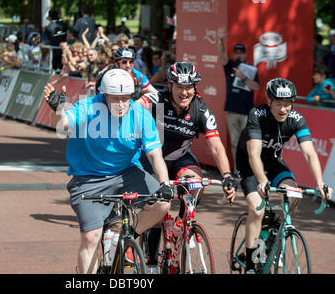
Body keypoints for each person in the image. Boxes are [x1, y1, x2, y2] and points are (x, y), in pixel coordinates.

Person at [43, 68, 174, 274]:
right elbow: (62, 124)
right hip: (87, 178)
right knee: (91, 237)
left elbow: (155, 154)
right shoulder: (88, 107)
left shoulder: (141, 115)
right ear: (104, 95)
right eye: (116, 98)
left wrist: (165, 183)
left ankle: (129, 234)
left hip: (127, 172)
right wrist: (57, 109)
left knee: (163, 204)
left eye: (126, 98)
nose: (121, 104)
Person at [136, 62, 237, 272]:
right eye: (180, 87)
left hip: (181, 159)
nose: (184, 92)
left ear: (195, 87)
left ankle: (183, 225)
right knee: (158, 202)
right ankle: (152, 261)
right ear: (170, 86)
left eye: (189, 87)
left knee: (196, 184)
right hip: (153, 158)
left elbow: (216, 146)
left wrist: (227, 175)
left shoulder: (200, 108)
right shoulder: (157, 100)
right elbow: (131, 110)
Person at [235, 78, 333, 274]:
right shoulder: (257, 114)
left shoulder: (297, 119)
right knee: (256, 208)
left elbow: (309, 152)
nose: (283, 109)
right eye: (278, 103)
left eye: (287, 103)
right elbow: (254, 154)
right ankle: (252, 265)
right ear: (269, 100)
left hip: (272, 161)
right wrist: (262, 181)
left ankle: (275, 235)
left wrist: (321, 183)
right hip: (249, 163)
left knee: (293, 193)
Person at [216, 26, 260, 173]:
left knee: (247, 143)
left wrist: (244, 78)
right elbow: (221, 54)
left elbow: (257, 87)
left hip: (247, 111)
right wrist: (219, 39)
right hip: (232, 110)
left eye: (241, 53)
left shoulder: (251, 70)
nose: (239, 55)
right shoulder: (229, 66)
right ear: (234, 54)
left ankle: (249, 169)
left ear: (246, 54)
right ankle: (238, 170)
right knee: (235, 143)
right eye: (237, 52)